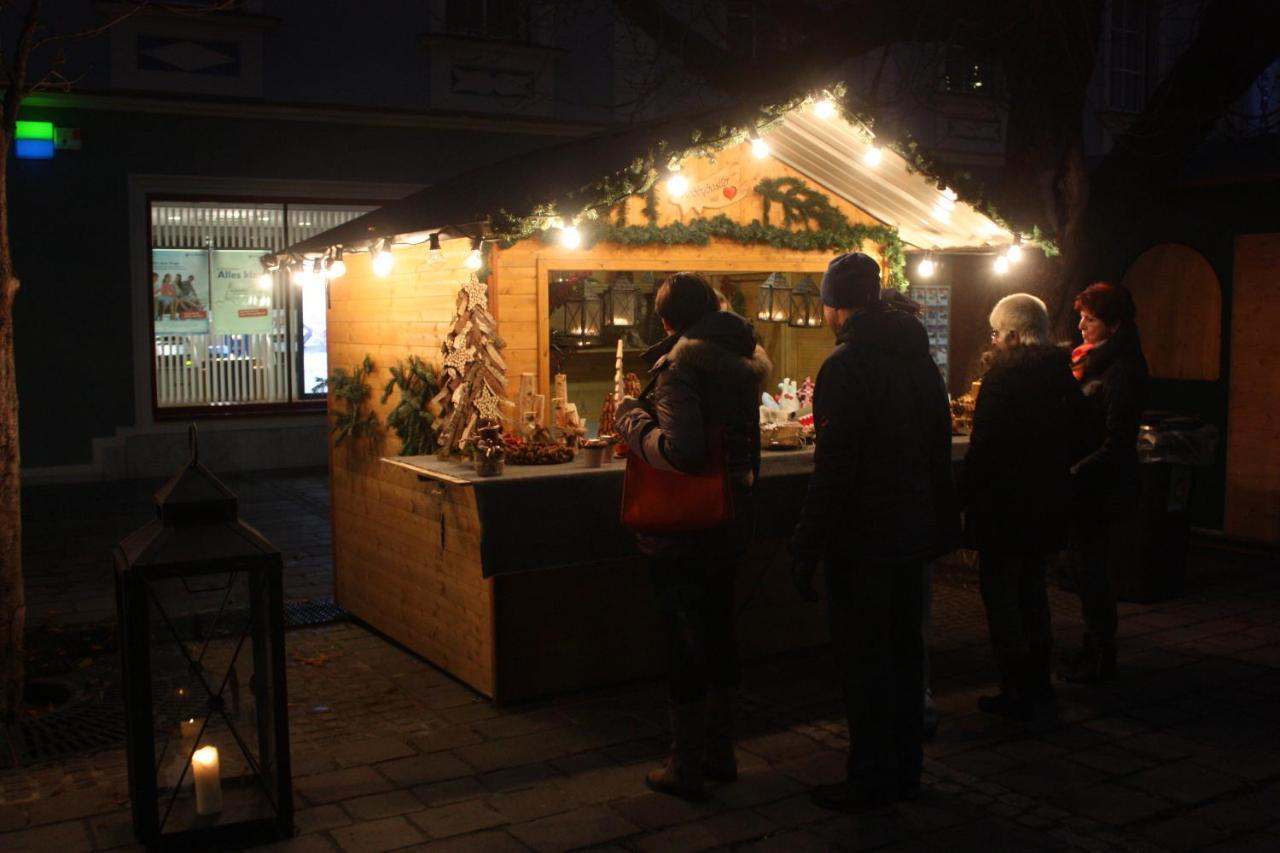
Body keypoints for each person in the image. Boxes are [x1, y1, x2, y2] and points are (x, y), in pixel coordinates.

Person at [790, 254, 958, 813]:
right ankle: (904, 771)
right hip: (913, 533)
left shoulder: (846, 365)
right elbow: (939, 447)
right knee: (907, 655)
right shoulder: (919, 358)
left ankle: (868, 780)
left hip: (863, 541)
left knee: (865, 662)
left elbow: (833, 469)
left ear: (835, 305)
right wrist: (943, 523)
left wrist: (805, 546)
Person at [614, 272, 771, 800]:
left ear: (666, 320)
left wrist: (631, 420)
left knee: (683, 637)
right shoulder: (742, 359)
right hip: (732, 517)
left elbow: (683, 452)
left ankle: (686, 763)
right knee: (720, 628)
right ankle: (721, 751)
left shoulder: (682, 366)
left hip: (685, 528)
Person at [963, 294, 1084, 721]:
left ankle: (1014, 687)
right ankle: (1039, 684)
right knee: (1034, 593)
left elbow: (985, 450)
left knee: (1001, 598)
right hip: (1046, 504)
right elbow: (1082, 435)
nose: (993, 342)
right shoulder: (1060, 376)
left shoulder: (1003, 379)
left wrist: (969, 500)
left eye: (996, 334)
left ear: (1012, 334)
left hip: (1004, 508)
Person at [1060, 282, 1148, 683]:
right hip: (1089, 482)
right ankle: (1094, 648)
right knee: (1086, 570)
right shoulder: (1093, 361)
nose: (1081, 325)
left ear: (1113, 325)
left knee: (1093, 571)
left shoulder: (1118, 371)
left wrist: (1075, 471)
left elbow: (1117, 439)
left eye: (1090, 319)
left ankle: (1101, 654)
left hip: (1099, 486)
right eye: (1081, 316)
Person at [880, 287, 939, 740]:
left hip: (882, 516)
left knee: (880, 628)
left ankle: (889, 725)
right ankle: (918, 707)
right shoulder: (924, 365)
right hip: (918, 512)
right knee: (912, 621)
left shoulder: (863, 366)